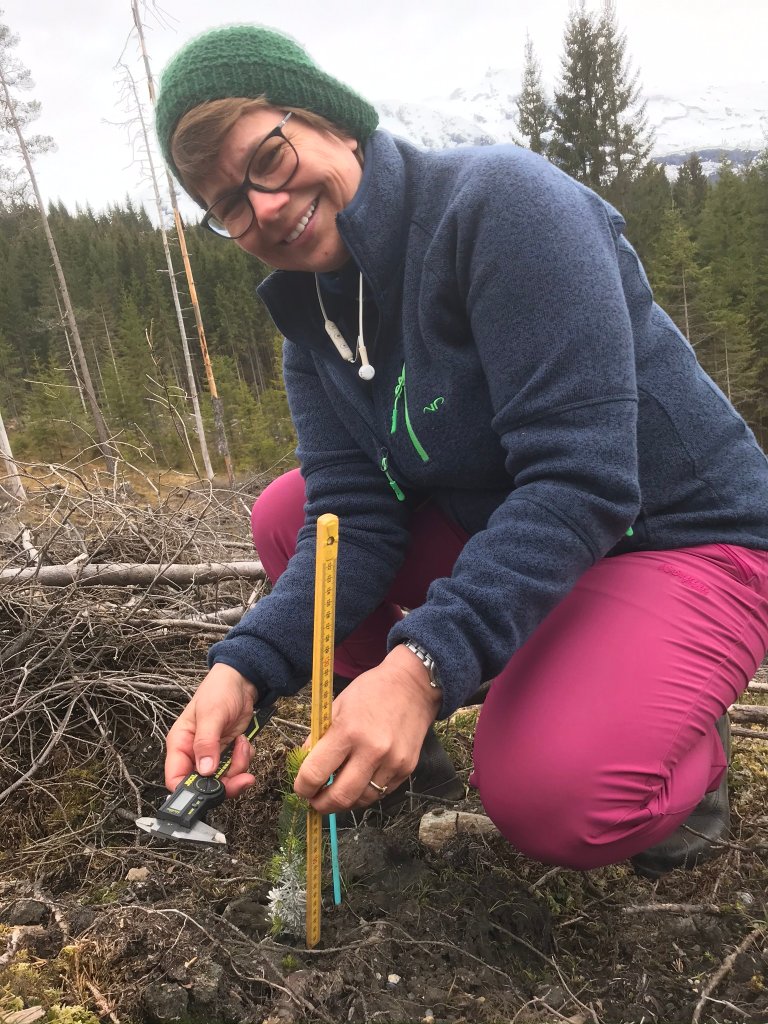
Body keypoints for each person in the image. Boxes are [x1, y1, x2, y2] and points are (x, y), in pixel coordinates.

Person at [155, 24, 768, 876]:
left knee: (553, 797)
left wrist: (419, 670)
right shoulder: (315, 321)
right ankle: (392, 764)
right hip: (532, 532)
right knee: (294, 516)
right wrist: (244, 671)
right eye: (225, 204)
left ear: (332, 121)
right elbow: (355, 518)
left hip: (678, 536)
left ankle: (685, 747)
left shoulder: (501, 205)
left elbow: (582, 478)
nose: (259, 208)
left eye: (267, 157)